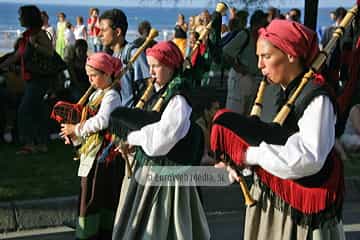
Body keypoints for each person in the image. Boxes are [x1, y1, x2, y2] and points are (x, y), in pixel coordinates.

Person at [212, 19, 344, 239]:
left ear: (291, 54)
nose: (260, 65)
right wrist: (240, 163)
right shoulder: (280, 93)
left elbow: (308, 158)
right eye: (258, 58)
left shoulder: (316, 98)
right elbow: (271, 141)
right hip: (274, 204)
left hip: (301, 215)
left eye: (266, 57)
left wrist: (248, 154)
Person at [112, 40, 210, 240]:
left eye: (156, 66)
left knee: (164, 228)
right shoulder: (160, 93)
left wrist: (133, 136)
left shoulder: (178, 100)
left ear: (171, 66)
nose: (151, 71)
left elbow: (161, 141)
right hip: (150, 170)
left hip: (168, 178)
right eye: (150, 66)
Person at [59, 52, 124, 240]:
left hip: (104, 156)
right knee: (88, 194)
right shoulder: (98, 93)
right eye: (88, 76)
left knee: (97, 196)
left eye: (93, 75)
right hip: (92, 152)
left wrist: (77, 129)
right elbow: (89, 119)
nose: (90, 80)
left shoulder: (111, 95)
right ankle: (89, 232)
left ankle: (96, 234)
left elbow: (102, 121)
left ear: (106, 74)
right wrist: (73, 135)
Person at [0, 5, 53, 154]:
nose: (19, 18)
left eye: (21, 16)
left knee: (24, 111)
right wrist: (2, 65)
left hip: (39, 80)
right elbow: (17, 55)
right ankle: (41, 144)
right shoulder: (26, 36)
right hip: (31, 80)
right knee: (37, 111)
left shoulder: (39, 34)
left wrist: (34, 44)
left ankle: (29, 144)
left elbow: (50, 52)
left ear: (28, 17)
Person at [99, 8, 150, 107]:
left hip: (130, 117)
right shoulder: (113, 56)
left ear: (118, 32)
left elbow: (149, 86)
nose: (100, 34)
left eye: (104, 30)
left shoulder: (134, 54)